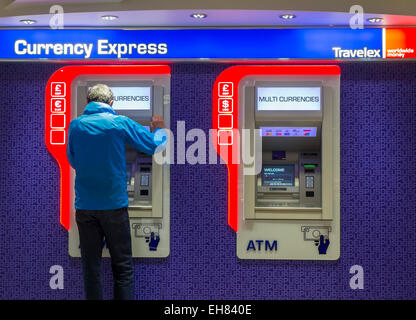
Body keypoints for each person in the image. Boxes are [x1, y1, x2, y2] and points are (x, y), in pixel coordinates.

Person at [67, 84, 166, 300]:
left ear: (87, 102)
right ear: (112, 103)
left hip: (85, 208)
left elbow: (73, 160)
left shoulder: (75, 126)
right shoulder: (119, 123)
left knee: (91, 269)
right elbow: (153, 145)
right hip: (114, 206)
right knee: (122, 267)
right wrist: (159, 128)